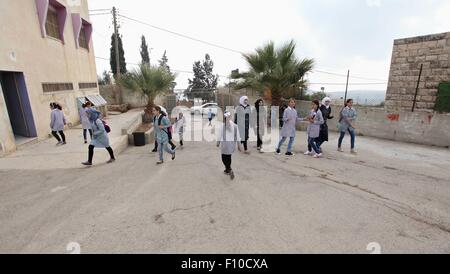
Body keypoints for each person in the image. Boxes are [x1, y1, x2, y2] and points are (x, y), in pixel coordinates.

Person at [217, 111, 243, 180]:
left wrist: (218, 142)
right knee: (229, 157)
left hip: (224, 145)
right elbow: (238, 137)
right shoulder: (235, 126)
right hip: (231, 145)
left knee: (223, 158)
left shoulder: (222, 126)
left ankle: (229, 169)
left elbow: (219, 135)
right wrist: (239, 146)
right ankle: (227, 169)